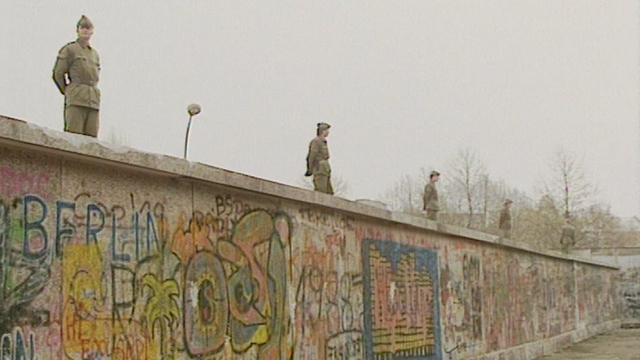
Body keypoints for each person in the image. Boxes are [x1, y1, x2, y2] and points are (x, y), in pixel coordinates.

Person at [53, 15, 101, 137]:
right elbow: (58, 73)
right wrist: (68, 90)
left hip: (93, 100)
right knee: (74, 137)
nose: (85, 31)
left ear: (92, 32)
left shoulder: (94, 54)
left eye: (88, 28)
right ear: (78, 30)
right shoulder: (70, 49)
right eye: (82, 28)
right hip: (76, 98)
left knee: (92, 139)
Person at [305, 123, 333, 194]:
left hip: (325, 168)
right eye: (326, 130)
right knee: (321, 190)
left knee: (329, 191)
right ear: (322, 131)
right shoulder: (316, 141)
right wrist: (310, 169)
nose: (328, 132)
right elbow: (312, 155)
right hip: (319, 167)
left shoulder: (323, 141)